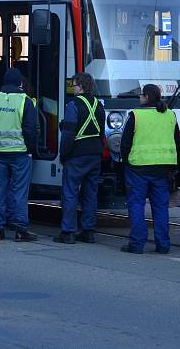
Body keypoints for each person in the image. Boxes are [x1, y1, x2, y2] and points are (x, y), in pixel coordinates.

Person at [119, 84, 180, 254]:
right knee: (161, 207)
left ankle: (137, 244)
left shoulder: (136, 115)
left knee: (136, 205)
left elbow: (125, 143)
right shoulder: (170, 115)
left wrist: (124, 161)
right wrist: (173, 166)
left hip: (138, 168)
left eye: (141, 95)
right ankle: (163, 245)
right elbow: (177, 143)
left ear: (146, 97)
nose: (139, 97)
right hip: (162, 169)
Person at [0, 68, 39, 242]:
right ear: (20, 83)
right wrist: (30, 150)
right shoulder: (25, 101)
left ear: (4, 82)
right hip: (20, 154)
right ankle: (21, 229)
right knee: (20, 192)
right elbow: (30, 130)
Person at [54, 72, 106, 244]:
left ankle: (68, 232)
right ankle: (88, 231)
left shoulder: (73, 105)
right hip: (95, 154)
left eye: (74, 85)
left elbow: (68, 134)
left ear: (81, 86)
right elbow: (100, 133)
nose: (72, 88)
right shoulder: (99, 105)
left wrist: (63, 154)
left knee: (70, 192)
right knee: (90, 193)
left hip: (77, 155)